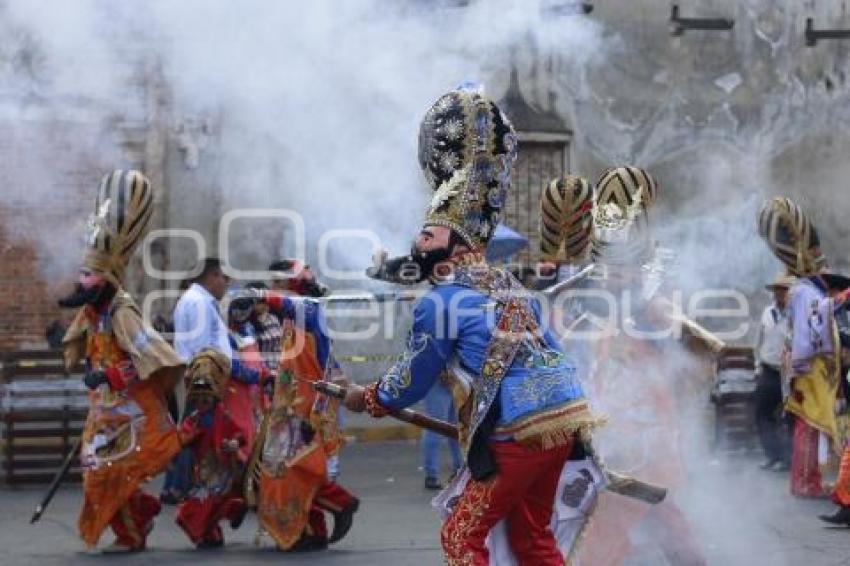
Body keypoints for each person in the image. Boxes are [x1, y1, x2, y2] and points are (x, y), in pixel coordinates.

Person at [344, 85, 600, 565]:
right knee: (532, 538)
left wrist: (369, 398)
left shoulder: (441, 301)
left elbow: (410, 380)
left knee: (461, 537)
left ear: (456, 246)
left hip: (520, 432)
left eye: (427, 235)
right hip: (563, 424)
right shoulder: (507, 285)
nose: (417, 244)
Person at [59, 170, 185, 552]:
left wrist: (108, 375)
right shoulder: (94, 311)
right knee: (99, 473)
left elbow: (147, 356)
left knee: (107, 473)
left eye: (89, 275)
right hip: (104, 414)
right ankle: (140, 512)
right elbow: (79, 337)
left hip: (131, 412)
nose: (81, 281)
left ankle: (131, 534)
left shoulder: (120, 310)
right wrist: (63, 342)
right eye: (81, 273)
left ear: (109, 277)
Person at [247, 266, 359, 551]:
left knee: (289, 469)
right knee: (290, 469)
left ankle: (339, 503)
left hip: (306, 409)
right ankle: (312, 531)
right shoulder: (294, 318)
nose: (274, 287)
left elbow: (286, 304)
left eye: (278, 282)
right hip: (292, 407)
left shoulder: (307, 309)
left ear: (293, 284)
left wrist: (260, 294)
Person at [160, 257, 233, 504]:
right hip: (203, 380)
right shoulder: (200, 303)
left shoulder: (195, 300)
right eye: (223, 278)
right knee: (193, 434)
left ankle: (175, 486)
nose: (225, 284)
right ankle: (179, 486)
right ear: (212, 277)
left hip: (199, 378)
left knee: (190, 432)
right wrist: (208, 383)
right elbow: (203, 350)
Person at [174, 349, 249, 548]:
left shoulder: (222, 415)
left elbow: (240, 434)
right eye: (198, 400)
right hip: (202, 469)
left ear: (214, 399)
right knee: (203, 506)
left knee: (202, 504)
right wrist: (186, 438)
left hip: (221, 467)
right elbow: (182, 436)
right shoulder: (194, 418)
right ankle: (212, 534)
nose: (202, 403)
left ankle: (233, 508)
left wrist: (234, 444)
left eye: (206, 400)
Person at [754, 275, 794, 471]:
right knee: (762, 413)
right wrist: (757, 365)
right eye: (778, 289)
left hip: (790, 373)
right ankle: (773, 455)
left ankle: (788, 459)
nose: (780, 292)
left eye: (784, 289)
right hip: (768, 369)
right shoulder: (767, 312)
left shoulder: (796, 314)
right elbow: (759, 339)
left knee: (790, 417)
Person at [421, 375, 462, 490]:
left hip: (450, 377)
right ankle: (432, 475)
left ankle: (457, 470)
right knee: (436, 427)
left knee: (452, 427)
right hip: (447, 377)